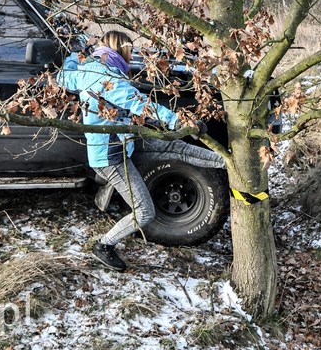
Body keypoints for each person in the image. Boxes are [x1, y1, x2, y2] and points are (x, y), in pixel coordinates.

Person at [58, 30, 223, 272]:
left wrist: (74, 53)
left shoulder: (87, 70)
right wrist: (179, 122)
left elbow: (64, 76)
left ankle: (225, 163)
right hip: (111, 156)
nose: (131, 54)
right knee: (144, 212)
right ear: (120, 50)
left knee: (172, 146)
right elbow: (141, 104)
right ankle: (104, 246)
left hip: (124, 141)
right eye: (129, 50)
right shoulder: (109, 81)